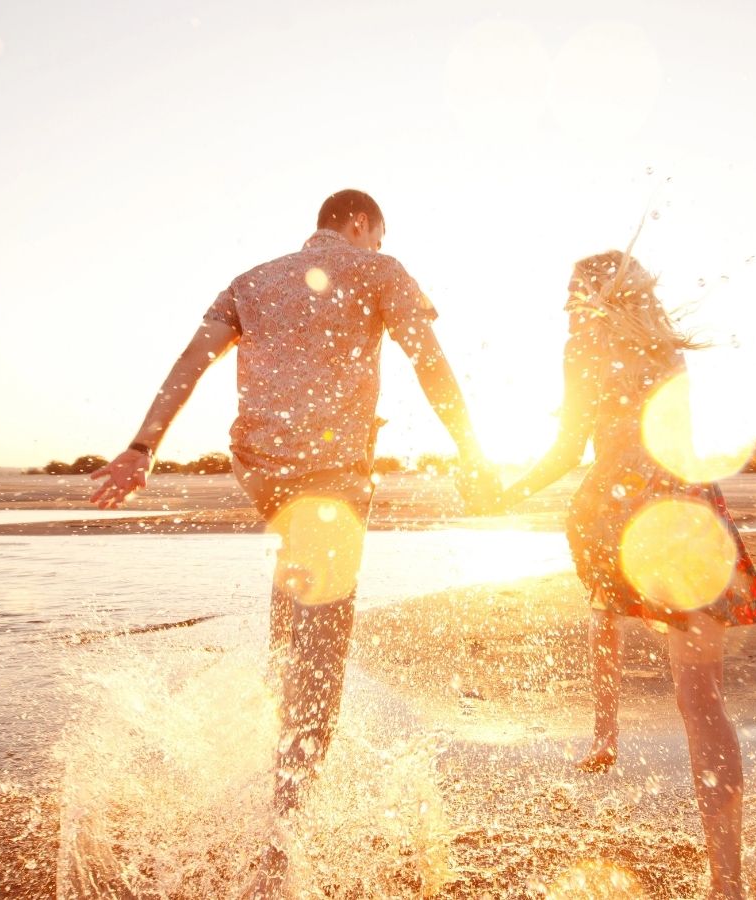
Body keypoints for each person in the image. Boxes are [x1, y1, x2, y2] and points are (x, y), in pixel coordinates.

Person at [88, 189, 493, 898]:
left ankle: (270, 754)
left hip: (264, 472)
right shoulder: (380, 268)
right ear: (362, 225)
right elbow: (429, 361)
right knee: (323, 660)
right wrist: (472, 451)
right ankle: (281, 846)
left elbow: (192, 361)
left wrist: (141, 448)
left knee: (294, 600)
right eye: (372, 235)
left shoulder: (251, 280)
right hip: (330, 476)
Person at [495, 249, 756, 899]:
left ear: (589, 297)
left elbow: (568, 448)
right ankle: (726, 884)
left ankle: (604, 731)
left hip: (619, 510)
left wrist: (509, 491)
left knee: (602, 595)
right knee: (703, 703)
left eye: (572, 291)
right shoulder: (666, 346)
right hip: (690, 513)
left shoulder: (581, 344)